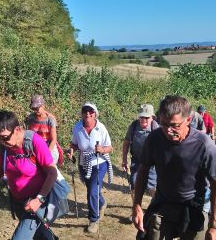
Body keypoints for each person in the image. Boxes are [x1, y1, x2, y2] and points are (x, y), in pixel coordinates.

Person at [132, 95, 216, 240]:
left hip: (194, 206)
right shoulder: (154, 139)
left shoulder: (204, 145)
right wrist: (137, 205)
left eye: (175, 125)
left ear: (188, 120)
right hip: (163, 203)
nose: (169, 131)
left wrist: (214, 226)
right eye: (164, 124)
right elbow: (143, 170)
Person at [0, 111, 58, 240]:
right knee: (39, 234)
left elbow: (52, 172)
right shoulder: (4, 147)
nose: (2, 141)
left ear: (17, 129)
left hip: (37, 201)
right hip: (18, 201)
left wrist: (39, 199)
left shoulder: (34, 141)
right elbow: (0, 170)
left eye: (5, 137)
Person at [67, 102, 113, 234]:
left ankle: (94, 220)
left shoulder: (101, 128)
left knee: (92, 191)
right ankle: (102, 203)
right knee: (93, 190)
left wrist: (102, 149)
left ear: (95, 114)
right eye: (85, 111)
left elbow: (110, 147)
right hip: (83, 163)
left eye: (91, 111)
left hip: (99, 163)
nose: (88, 114)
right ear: (81, 114)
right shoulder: (77, 127)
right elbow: (74, 144)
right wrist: (71, 150)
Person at [122, 104, 158, 222]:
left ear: (152, 117)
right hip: (136, 161)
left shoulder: (155, 127)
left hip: (152, 162)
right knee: (133, 183)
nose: (144, 120)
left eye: (147, 118)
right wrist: (124, 159)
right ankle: (135, 211)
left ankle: (157, 210)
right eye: (142, 117)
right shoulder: (133, 126)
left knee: (151, 187)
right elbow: (127, 142)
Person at [27, 95, 61, 165]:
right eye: (34, 108)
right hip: (36, 148)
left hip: (49, 148)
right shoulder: (31, 118)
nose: (35, 110)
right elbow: (30, 135)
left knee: (49, 170)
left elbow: (53, 139)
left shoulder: (50, 120)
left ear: (43, 106)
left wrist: (47, 153)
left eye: (37, 108)